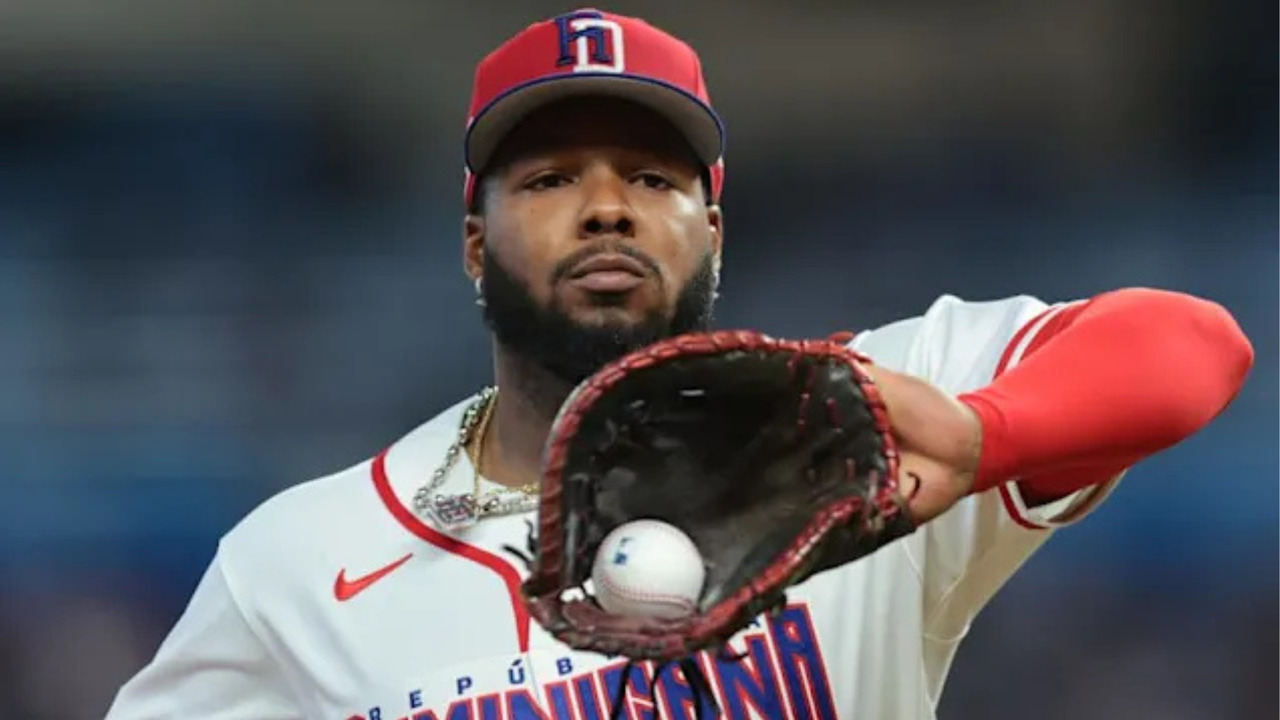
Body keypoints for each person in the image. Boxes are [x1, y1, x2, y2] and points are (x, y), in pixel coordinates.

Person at [104, 8, 1254, 720]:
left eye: (652, 181)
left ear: (713, 230)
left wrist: (983, 437)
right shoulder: (299, 563)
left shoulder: (853, 427)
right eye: (550, 180)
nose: (605, 208)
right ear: (472, 241)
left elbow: (1192, 345)